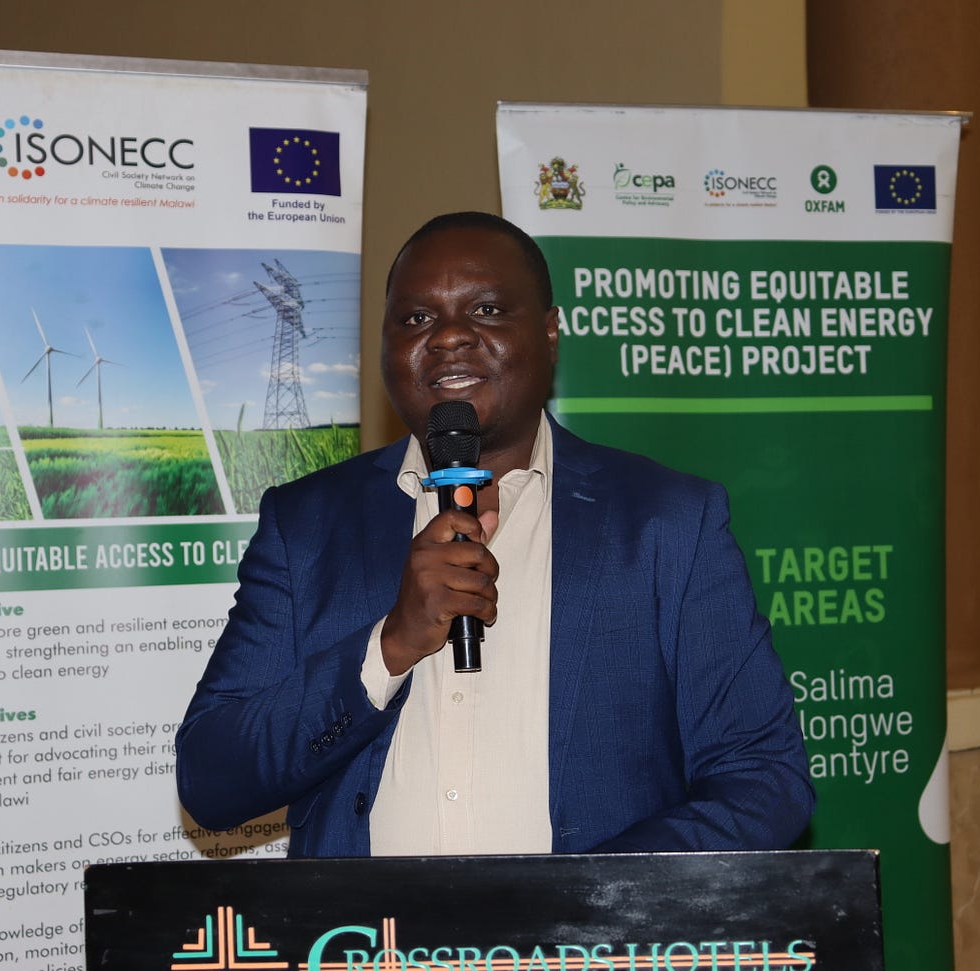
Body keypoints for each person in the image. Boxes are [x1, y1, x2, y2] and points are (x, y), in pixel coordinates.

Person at [176, 211, 813, 856]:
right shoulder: (307, 525)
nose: (449, 335)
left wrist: (583, 899)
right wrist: (390, 646)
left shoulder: (666, 520)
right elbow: (211, 780)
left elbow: (763, 781)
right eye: (415, 318)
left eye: (486, 310)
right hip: (364, 924)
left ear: (549, 332)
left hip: (586, 925)